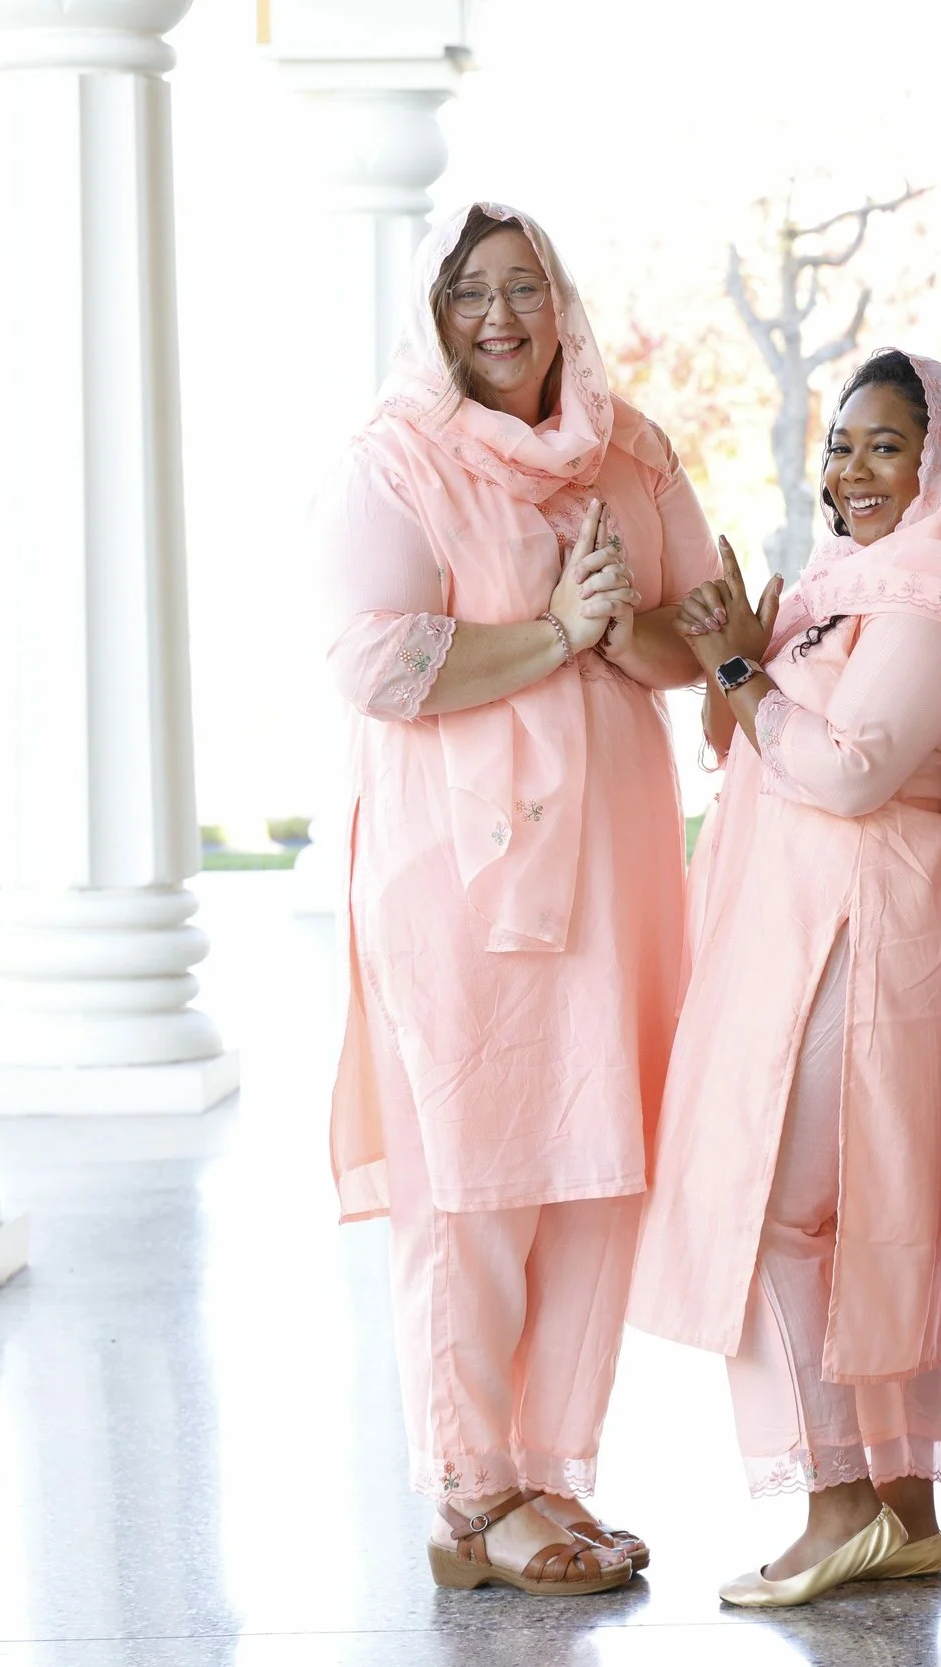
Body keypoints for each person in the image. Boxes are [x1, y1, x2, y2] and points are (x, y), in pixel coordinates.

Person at [323, 201, 714, 1595]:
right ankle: (471, 1493)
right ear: (438, 315)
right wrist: (556, 631)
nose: (501, 315)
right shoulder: (402, 459)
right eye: (471, 291)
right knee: (475, 1179)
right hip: (457, 877)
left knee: (595, 1166)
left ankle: (555, 1469)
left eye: (524, 286)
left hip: (612, 867)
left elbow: (698, 632)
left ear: (563, 303)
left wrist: (623, 627)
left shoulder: (630, 451)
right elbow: (377, 662)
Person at [626, 350, 941, 1608]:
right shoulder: (850, 586)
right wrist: (743, 659)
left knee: (784, 1206)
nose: (851, 468)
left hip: (864, 924)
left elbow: (849, 769)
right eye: (842, 442)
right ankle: (898, 1504)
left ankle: (838, 1500)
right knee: (835, 1209)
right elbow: (745, 740)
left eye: (886, 444)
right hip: (788, 916)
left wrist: (745, 666)